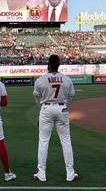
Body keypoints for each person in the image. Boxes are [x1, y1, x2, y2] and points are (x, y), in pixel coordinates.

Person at [33, 54, 78, 182]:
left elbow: (37, 98)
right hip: (62, 108)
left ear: (48, 65)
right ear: (59, 65)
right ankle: (70, 173)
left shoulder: (41, 79)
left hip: (46, 108)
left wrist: (42, 108)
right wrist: (63, 105)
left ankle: (41, 173)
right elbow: (70, 97)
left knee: (43, 141)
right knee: (66, 141)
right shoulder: (66, 79)